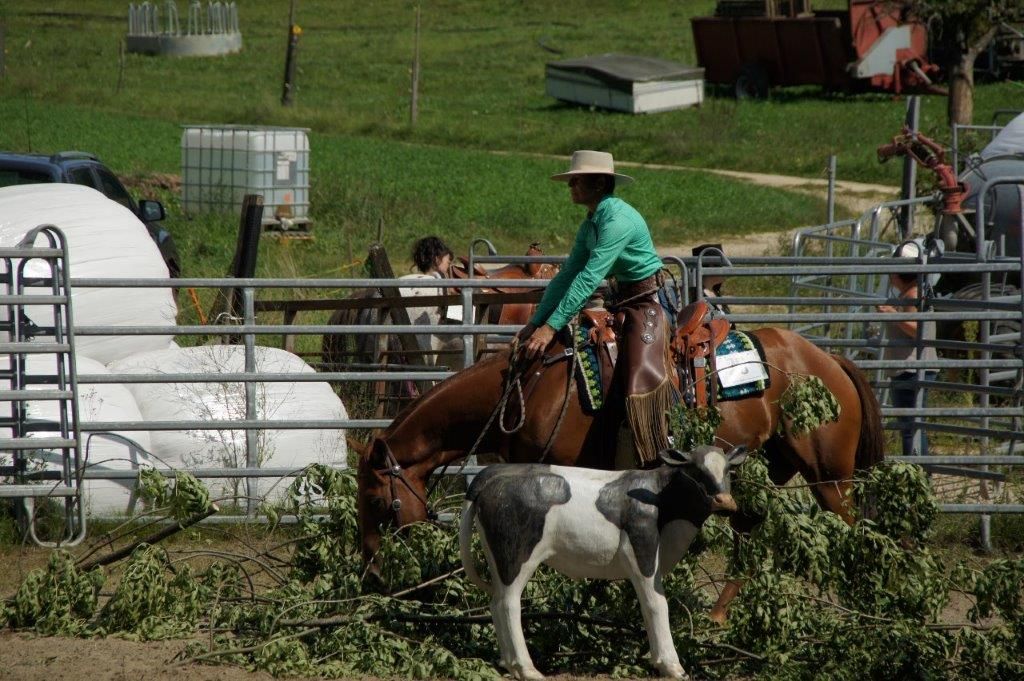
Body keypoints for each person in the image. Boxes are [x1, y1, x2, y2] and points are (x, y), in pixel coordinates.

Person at [517, 150, 671, 467]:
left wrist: (550, 327)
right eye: (571, 180)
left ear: (599, 183)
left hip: (650, 302)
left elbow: (589, 278)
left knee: (642, 373)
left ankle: (668, 434)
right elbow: (566, 277)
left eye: (577, 180)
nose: (570, 185)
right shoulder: (592, 223)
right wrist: (536, 323)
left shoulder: (618, 221)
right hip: (624, 302)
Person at [877, 241, 938, 456]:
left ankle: (917, 476)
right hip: (912, 367)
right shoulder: (914, 292)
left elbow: (917, 329)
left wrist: (892, 315)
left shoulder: (912, 295)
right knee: (912, 427)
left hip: (910, 368)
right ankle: (920, 474)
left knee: (910, 428)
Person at [691, 243, 730, 315]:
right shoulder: (697, 296)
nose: (724, 270)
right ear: (711, 267)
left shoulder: (715, 292)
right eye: (721, 266)